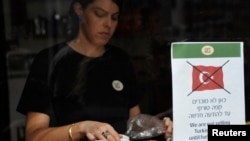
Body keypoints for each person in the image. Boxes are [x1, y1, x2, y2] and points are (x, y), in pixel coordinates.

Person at [16, 0, 173, 141]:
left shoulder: (120, 60)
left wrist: (157, 127)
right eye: (100, 14)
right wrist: (83, 128)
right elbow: (34, 136)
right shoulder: (50, 61)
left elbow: (135, 123)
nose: (108, 24)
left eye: (114, 17)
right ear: (80, 10)